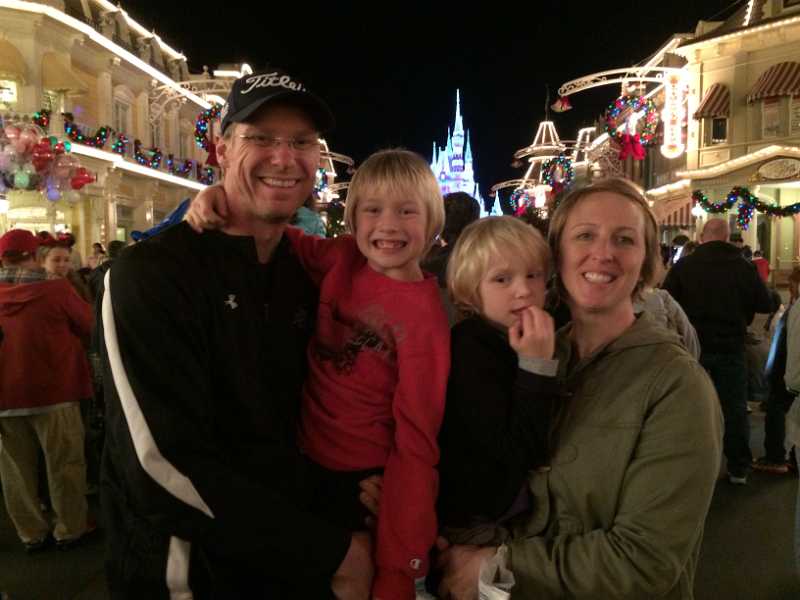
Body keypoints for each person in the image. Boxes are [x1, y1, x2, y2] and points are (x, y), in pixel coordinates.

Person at [97, 67, 373, 598]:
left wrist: (359, 486)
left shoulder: (305, 274)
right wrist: (327, 551)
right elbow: (159, 463)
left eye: (301, 142)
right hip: (191, 576)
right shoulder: (150, 274)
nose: (284, 158)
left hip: (295, 568)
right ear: (222, 151)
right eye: (261, 138)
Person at [434, 178, 722, 599]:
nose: (603, 253)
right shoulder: (526, 353)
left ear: (645, 260)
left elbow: (644, 561)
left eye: (624, 239)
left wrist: (496, 563)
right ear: (558, 254)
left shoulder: (677, 385)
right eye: (585, 235)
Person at [188, 148, 450, 600]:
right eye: (373, 210)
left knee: (353, 577)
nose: (388, 225)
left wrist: (401, 565)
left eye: (407, 211)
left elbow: (417, 438)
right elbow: (276, 235)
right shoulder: (343, 258)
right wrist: (221, 198)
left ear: (432, 223)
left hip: (361, 481)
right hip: (300, 462)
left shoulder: (425, 319)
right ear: (352, 219)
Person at [437, 216, 557, 549]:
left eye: (533, 275)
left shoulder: (519, 334)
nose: (524, 290)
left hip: (505, 509)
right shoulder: (469, 348)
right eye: (502, 279)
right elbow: (520, 450)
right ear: (470, 291)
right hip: (478, 522)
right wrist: (536, 366)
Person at [0, 229, 94, 553]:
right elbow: (89, 324)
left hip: (5, 397)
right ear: (35, 255)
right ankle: (70, 529)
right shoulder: (56, 290)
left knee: (16, 472)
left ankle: (31, 534)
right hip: (57, 391)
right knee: (65, 465)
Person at [663, 218, 773, 485]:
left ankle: (690, 464)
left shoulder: (684, 266)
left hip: (693, 348)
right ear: (726, 237)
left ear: (702, 236)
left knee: (691, 405)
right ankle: (738, 467)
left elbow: (667, 303)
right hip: (731, 346)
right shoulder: (743, 267)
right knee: (734, 407)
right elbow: (765, 302)